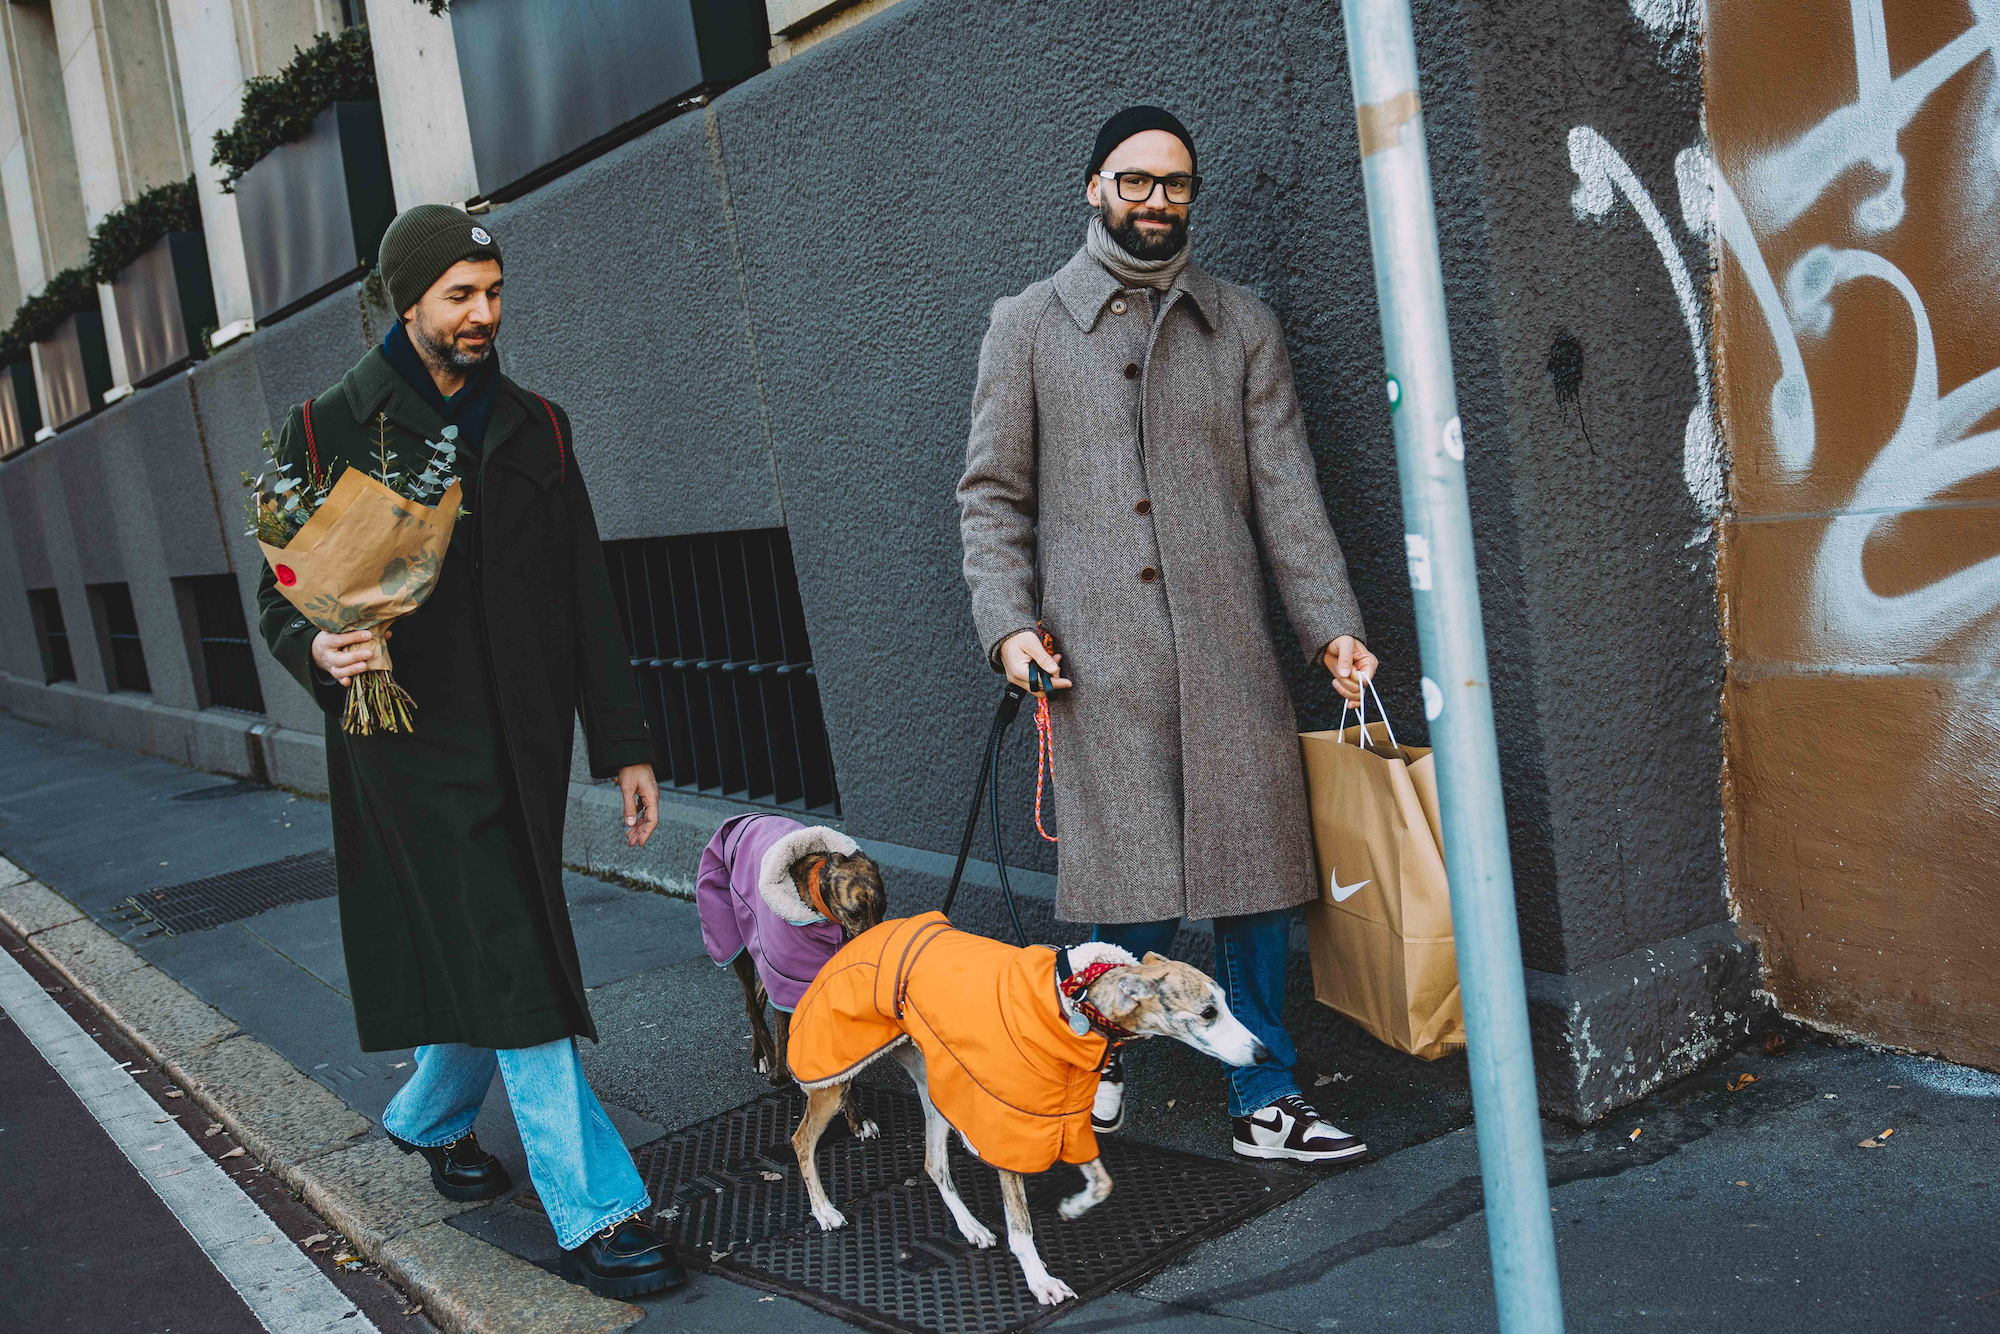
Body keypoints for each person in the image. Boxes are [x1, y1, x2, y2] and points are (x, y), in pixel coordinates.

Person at [255, 204, 682, 1297]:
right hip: (406, 740)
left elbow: (586, 589)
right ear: (408, 300)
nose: (484, 312)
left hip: (526, 739)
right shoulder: (327, 424)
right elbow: (279, 590)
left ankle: (428, 1112)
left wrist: (622, 740)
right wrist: (318, 645)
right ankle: (597, 1209)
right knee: (514, 950)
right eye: (460, 295)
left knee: (498, 938)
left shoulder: (538, 424)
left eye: (493, 291)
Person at [957, 107, 1381, 1162]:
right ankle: (1084, 1062)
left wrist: (1330, 626)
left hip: (1228, 649)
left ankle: (1265, 1093)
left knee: (1252, 887)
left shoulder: (1241, 325)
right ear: (1092, 186)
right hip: (1098, 661)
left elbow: (1288, 495)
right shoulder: (1026, 324)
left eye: (1175, 184)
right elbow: (990, 496)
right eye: (1134, 180)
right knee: (1126, 899)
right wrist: (1006, 626)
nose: (1155, 200)